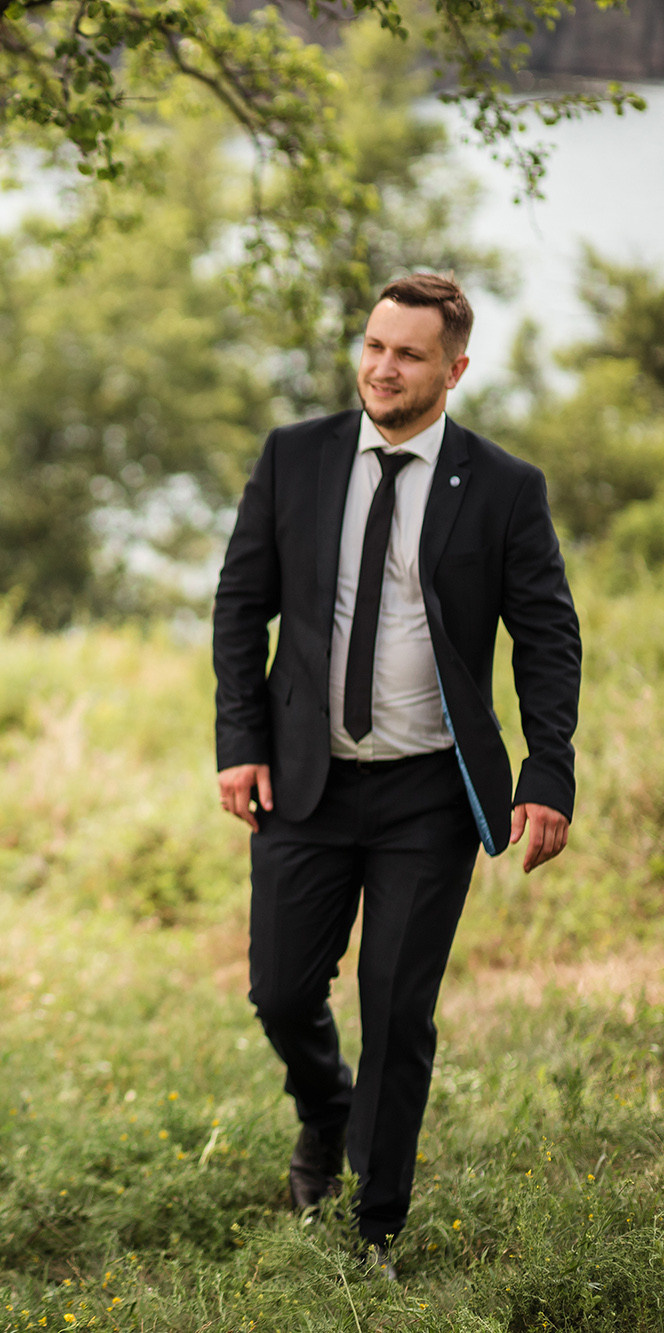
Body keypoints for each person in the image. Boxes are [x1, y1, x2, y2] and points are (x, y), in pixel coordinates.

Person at [211, 273, 582, 1279]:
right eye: (372, 345)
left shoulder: (502, 486)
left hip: (430, 790)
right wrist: (236, 740)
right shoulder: (294, 457)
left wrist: (545, 772)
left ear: (453, 369)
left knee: (395, 1005)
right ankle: (322, 1113)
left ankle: (370, 1229)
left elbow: (543, 636)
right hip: (303, 777)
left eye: (407, 353)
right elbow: (239, 603)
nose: (380, 366)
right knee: (281, 991)